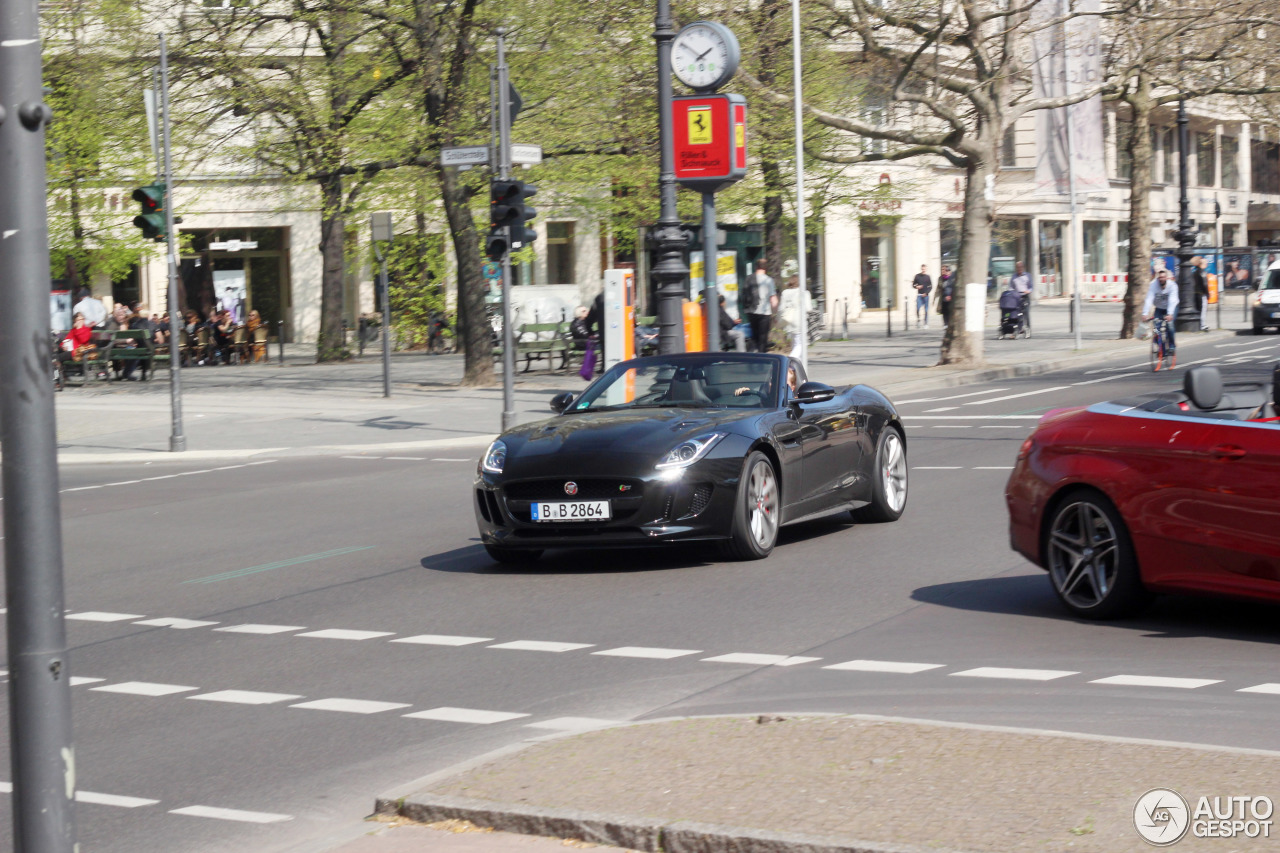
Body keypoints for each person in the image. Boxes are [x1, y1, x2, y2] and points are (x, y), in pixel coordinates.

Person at [1142, 267, 1179, 362]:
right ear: (1158, 278)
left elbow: (1172, 300)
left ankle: (1171, 346)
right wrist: (1145, 313)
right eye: (1160, 278)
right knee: (1156, 328)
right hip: (1159, 308)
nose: (1161, 279)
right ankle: (1162, 349)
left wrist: (1170, 314)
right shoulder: (1153, 285)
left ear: (1167, 278)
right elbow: (1149, 299)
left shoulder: (1172, 286)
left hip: (1171, 308)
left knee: (1169, 325)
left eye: (1163, 277)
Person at [744, 261, 777, 352]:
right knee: (763, 338)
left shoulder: (749, 279)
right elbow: (773, 299)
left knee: (754, 336)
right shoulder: (768, 280)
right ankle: (762, 357)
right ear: (765, 268)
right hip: (764, 312)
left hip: (752, 311)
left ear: (756, 267)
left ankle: (752, 356)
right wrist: (775, 313)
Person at [1010, 261, 1033, 335]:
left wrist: (1028, 291)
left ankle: (1028, 329)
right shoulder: (1014, 277)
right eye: (1018, 267)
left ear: (1023, 267)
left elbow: (1031, 287)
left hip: (1025, 296)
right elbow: (1011, 287)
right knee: (1018, 313)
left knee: (1026, 313)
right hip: (1016, 297)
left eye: (1020, 267)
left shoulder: (1027, 275)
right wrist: (1012, 293)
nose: (1019, 268)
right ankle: (1020, 328)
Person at [1191, 256, 1209, 331]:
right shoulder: (1202, 272)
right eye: (1205, 262)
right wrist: (1207, 293)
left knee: (1198, 309)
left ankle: (1199, 324)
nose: (1206, 264)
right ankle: (1202, 325)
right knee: (1203, 309)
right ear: (1201, 263)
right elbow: (1204, 284)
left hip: (1196, 293)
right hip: (1201, 294)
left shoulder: (1195, 272)